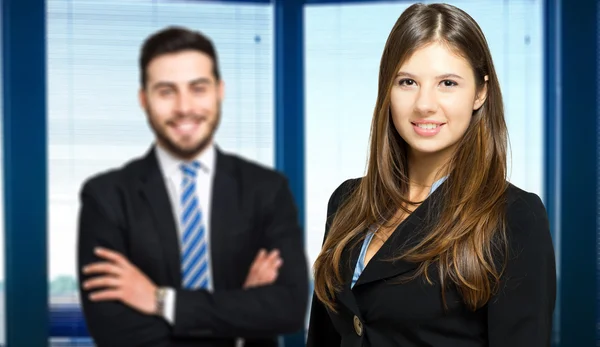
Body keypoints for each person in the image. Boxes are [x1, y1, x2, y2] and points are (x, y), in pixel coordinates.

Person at [307, 3, 556, 347]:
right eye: (407, 81)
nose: (425, 104)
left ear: (480, 92)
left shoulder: (514, 216)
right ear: (387, 89)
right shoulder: (347, 202)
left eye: (447, 83)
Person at [77, 26, 309, 347]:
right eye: (166, 91)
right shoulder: (106, 197)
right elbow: (115, 330)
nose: (184, 107)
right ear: (144, 99)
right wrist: (239, 317)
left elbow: (289, 308)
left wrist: (162, 302)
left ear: (220, 90)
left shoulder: (266, 190)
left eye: (198, 88)